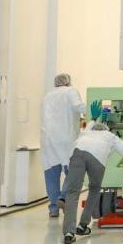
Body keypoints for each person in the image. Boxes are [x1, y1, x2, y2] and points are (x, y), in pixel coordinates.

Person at [62, 100, 123, 244]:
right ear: (106, 129)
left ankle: (69, 233)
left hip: (77, 155)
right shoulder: (110, 136)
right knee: (94, 189)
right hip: (97, 159)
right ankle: (83, 224)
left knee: (72, 193)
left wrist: (94, 118)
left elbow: (88, 128)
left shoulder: (86, 133)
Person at [40, 73, 86, 218]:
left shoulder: (48, 95)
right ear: (68, 82)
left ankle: (53, 209)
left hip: (48, 139)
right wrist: (96, 108)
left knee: (51, 174)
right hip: (66, 138)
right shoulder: (70, 91)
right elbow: (79, 106)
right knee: (72, 170)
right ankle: (63, 196)